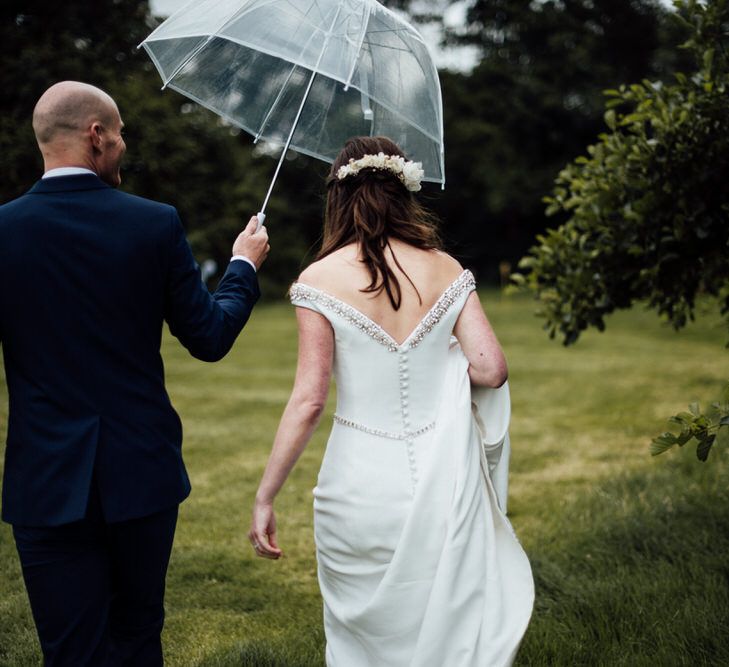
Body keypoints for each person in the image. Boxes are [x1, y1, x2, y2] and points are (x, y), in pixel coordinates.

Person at [0, 81, 269, 666]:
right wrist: (243, 267)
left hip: (44, 478)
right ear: (96, 135)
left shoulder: (4, 230)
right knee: (140, 635)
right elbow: (208, 337)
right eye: (120, 133)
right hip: (140, 472)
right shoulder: (155, 224)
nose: (123, 145)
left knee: (69, 651)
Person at [249, 136, 534, 666]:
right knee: (440, 621)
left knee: (364, 641)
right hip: (443, 478)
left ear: (338, 197)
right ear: (404, 193)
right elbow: (491, 369)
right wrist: (448, 360)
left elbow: (309, 401)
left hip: (358, 484)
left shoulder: (319, 279)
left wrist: (266, 496)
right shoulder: (446, 268)